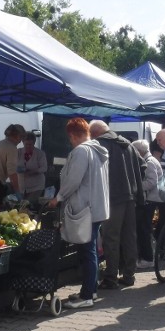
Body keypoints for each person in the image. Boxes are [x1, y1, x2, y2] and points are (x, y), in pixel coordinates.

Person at [48, 118, 109, 309]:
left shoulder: (82, 151)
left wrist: (58, 197)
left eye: (70, 138)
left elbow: (74, 180)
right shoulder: (98, 150)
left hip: (85, 208)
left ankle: (87, 295)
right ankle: (91, 290)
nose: (70, 141)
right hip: (97, 207)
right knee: (90, 250)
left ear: (73, 136)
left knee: (87, 250)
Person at [90, 120, 145, 290]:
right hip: (130, 196)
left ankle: (111, 278)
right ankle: (129, 275)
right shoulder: (127, 143)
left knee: (111, 238)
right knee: (129, 236)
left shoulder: (100, 144)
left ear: (95, 133)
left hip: (113, 197)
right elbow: (143, 165)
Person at [132, 139, 162, 269]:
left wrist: (136, 187)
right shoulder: (151, 160)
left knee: (144, 229)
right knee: (145, 228)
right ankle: (147, 256)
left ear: (139, 151)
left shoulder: (149, 162)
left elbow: (151, 182)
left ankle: (148, 258)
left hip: (149, 199)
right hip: (151, 199)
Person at [16, 131, 48, 202]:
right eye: (26, 144)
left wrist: (33, 171)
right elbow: (12, 165)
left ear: (34, 143)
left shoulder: (40, 154)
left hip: (36, 186)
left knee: (29, 205)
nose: (28, 146)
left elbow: (44, 168)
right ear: (23, 142)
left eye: (30, 144)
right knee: (20, 206)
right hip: (21, 186)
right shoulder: (18, 152)